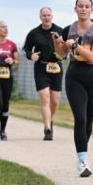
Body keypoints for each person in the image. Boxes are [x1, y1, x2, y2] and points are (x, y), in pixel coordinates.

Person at [53, 0, 93, 176]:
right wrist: (58, 43)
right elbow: (61, 55)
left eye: (87, 6)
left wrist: (75, 45)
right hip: (74, 77)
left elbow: (92, 58)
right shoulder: (69, 29)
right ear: (75, 8)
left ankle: (82, 153)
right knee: (80, 118)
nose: (83, 9)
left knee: (89, 121)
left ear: (92, 9)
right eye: (80, 6)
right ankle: (83, 161)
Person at [23, 7, 65, 140]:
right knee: (45, 98)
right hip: (41, 68)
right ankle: (47, 129)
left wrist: (63, 55)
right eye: (44, 15)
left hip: (56, 68)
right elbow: (27, 49)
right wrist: (31, 56)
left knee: (55, 101)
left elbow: (66, 49)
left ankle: (49, 120)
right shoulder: (34, 33)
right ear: (40, 17)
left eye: (48, 15)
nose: (46, 17)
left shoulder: (61, 31)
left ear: (52, 16)